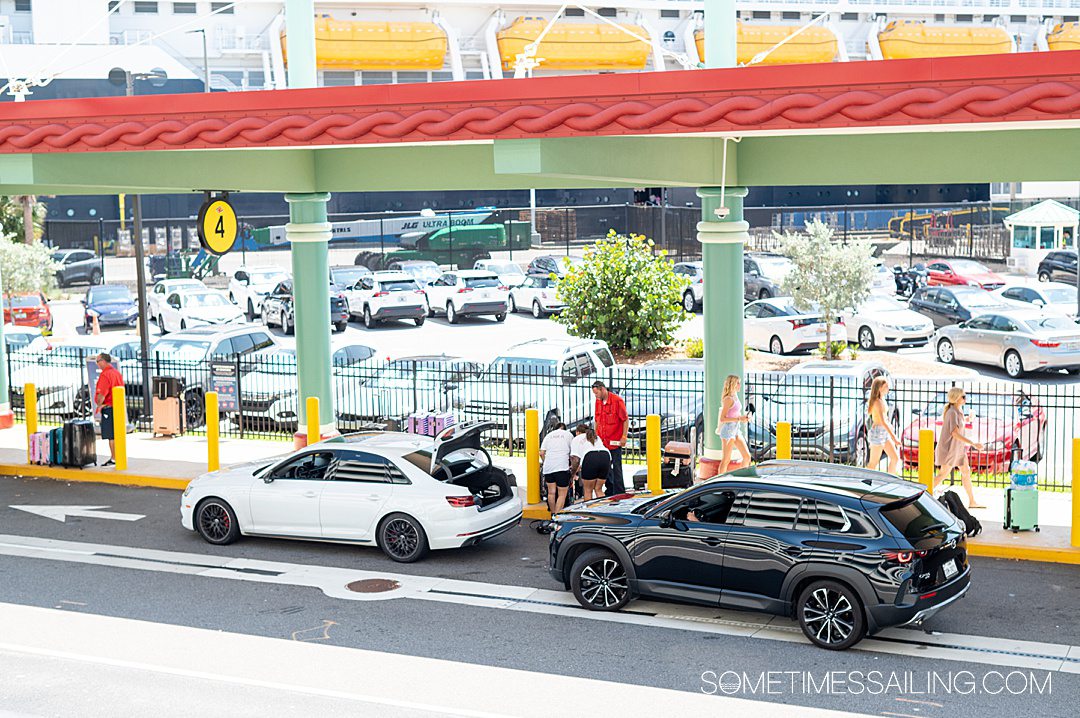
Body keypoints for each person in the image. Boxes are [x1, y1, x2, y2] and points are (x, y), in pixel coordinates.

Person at [933, 387, 985, 509]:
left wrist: (968, 419)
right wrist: (973, 444)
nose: (965, 398)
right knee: (942, 475)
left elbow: (958, 424)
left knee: (966, 472)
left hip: (958, 449)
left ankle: (972, 501)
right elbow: (954, 433)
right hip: (950, 449)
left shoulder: (958, 410)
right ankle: (922, 494)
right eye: (963, 396)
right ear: (956, 398)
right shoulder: (952, 412)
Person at [592, 380, 628, 496]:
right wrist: (595, 434)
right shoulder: (598, 402)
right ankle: (610, 489)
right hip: (603, 441)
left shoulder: (617, 401)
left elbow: (625, 419)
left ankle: (619, 491)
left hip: (614, 440)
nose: (596, 396)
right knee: (605, 467)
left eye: (597, 393)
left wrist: (624, 436)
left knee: (617, 466)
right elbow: (597, 419)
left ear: (603, 389)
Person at [93, 352, 124, 467]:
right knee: (117, 433)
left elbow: (102, 393)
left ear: (103, 361)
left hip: (109, 407)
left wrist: (99, 404)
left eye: (98, 361)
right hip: (117, 407)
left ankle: (114, 457)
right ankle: (118, 456)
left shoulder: (105, 375)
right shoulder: (116, 373)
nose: (97, 364)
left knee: (111, 435)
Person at [866, 376, 901, 475]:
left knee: (895, 458)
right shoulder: (877, 402)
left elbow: (885, 419)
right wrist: (894, 438)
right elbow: (882, 421)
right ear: (880, 387)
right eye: (886, 387)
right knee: (873, 463)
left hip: (884, 432)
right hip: (878, 432)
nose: (888, 389)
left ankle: (889, 481)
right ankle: (865, 481)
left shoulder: (882, 399)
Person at [716, 374, 750, 474]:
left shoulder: (735, 396)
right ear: (733, 384)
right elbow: (722, 419)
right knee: (726, 460)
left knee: (747, 457)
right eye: (738, 383)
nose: (740, 385)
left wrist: (743, 418)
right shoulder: (728, 399)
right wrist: (739, 418)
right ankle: (719, 483)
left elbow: (735, 413)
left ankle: (741, 480)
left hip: (736, 430)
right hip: (728, 431)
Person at [539, 422, 574, 514]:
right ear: (565, 428)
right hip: (561, 467)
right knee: (562, 495)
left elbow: (542, 453)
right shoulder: (568, 435)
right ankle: (557, 517)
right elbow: (573, 453)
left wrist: (545, 462)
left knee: (551, 493)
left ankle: (553, 515)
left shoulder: (548, 435)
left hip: (548, 468)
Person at [570, 423, 611, 501]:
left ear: (577, 432)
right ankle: (603, 510)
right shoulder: (596, 437)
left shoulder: (577, 438)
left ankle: (589, 512)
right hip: (605, 456)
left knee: (588, 490)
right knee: (598, 489)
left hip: (590, 457)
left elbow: (575, 460)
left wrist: (573, 474)